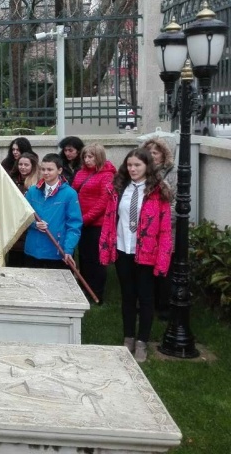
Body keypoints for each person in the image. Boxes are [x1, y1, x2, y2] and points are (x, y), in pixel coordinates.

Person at [99, 148, 173, 363]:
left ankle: (142, 341)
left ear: (147, 166)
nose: (132, 169)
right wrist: (106, 247)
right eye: (129, 165)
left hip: (146, 253)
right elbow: (110, 219)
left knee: (146, 297)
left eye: (137, 165)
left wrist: (162, 259)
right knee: (128, 296)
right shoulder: (119, 188)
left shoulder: (158, 192)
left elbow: (165, 230)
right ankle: (129, 337)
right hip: (124, 250)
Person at [70, 144, 116, 303]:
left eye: (91, 157)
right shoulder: (80, 173)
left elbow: (103, 202)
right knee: (83, 257)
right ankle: (85, 288)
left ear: (99, 157)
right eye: (85, 156)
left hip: (96, 224)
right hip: (81, 222)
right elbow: (73, 192)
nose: (87, 160)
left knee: (96, 259)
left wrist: (85, 219)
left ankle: (97, 292)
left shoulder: (107, 175)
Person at [23, 153, 82, 269]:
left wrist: (68, 249)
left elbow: (74, 225)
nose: (45, 173)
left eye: (50, 169)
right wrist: (34, 224)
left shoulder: (69, 194)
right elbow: (23, 216)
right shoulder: (32, 191)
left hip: (56, 251)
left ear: (59, 170)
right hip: (33, 250)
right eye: (43, 169)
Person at [142, 136, 176, 319]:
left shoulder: (172, 172)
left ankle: (163, 306)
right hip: (145, 230)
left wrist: (161, 221)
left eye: (155, 152)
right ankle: (147, 302)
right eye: (148, 152)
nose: (151, 155)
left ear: (163, 155)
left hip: (165, 228)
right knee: (145, 268)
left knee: (164, 267)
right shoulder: (143, 172)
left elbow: (176, 202)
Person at [6, 152, 40, 267]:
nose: (23, 167)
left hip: (30, 226)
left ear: (33, 166)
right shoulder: (11, 180)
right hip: (14, 226)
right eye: (20, 164)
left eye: (26, 165)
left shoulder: (38, 184)